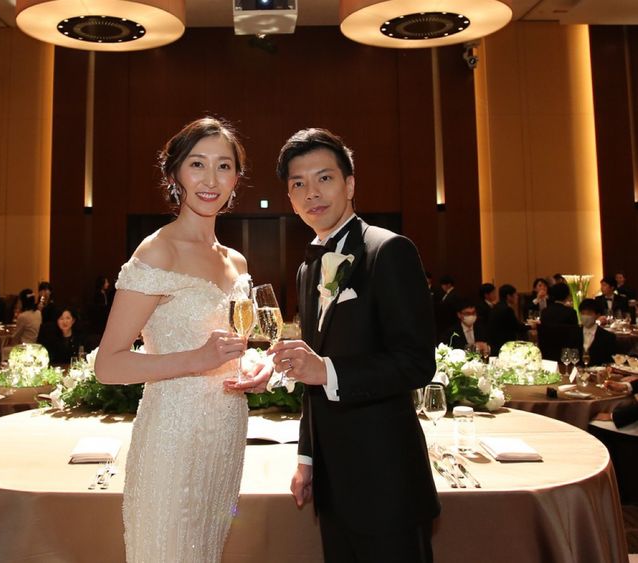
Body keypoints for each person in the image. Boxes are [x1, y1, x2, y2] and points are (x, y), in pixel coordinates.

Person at [234, 128, 439, 561]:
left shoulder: (389, 250)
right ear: (290, 198)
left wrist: (326, 370)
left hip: (387, 482)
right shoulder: (307, 270)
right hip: (333, 483)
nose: (311, 192)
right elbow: (314, 376)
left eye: (324, 178)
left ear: (350, 184)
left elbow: (416, 362)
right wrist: (307, 458)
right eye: (298, 184)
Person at [95, 117, 257, 562]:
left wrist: (251, 368)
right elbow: (108, 364)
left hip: (226, 434)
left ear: (236, 179)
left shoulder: (237, 262)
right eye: (197, 164)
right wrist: (197, 359)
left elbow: (230, 346)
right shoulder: (157, 252)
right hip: (172, 435)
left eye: (224, 166)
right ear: (174, 174)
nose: (211, 180)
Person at [488, 284, 528, 355]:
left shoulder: (496, 306)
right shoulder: (507, 309)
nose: (517, 297)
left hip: (494, 344)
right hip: (504, 344)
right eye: (515, 295)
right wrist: (531, 326)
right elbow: (516, 327)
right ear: (509, 296)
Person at [577, 299, 616, 366]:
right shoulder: (573, 333)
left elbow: (609, 362)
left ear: (597, 315)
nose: (585, 316)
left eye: (589, 313)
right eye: (583, 313)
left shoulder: (608, 337)